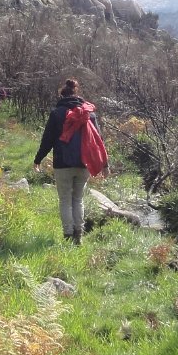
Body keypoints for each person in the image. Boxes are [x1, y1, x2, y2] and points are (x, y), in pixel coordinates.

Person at [34, 79, 108, 245]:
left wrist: (38, 159)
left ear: (62, 95)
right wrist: (105, 165)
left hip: (62, 164)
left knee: (65, 200)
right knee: (78, 199)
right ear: (76, 93)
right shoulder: (89, 114)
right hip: (84, 163)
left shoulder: (56, 114)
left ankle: (68, 236)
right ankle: (78, 236)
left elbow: (47, 140)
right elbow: (99, 141)